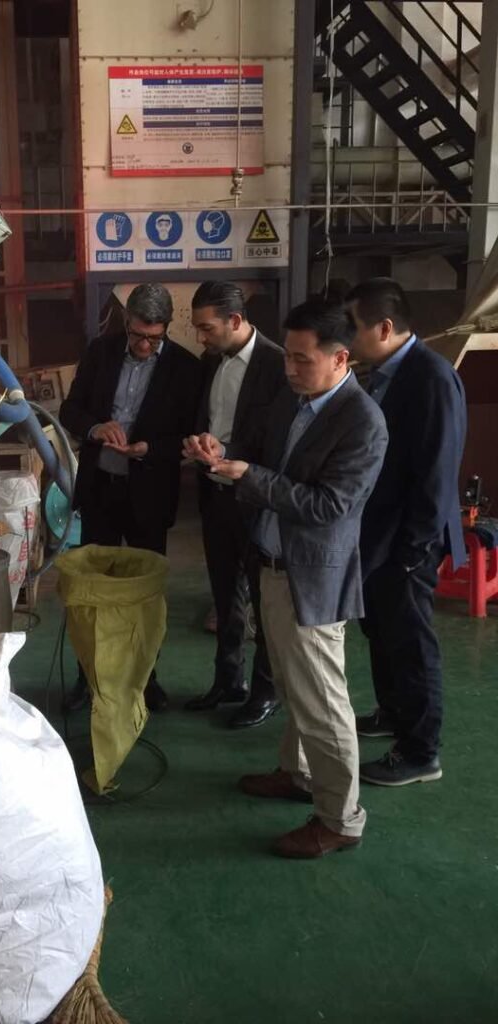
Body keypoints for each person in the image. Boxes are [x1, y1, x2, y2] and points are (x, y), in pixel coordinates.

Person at [187, 299, 388, 858]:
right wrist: (222, 453)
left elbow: (328, 506)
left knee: (323, 702)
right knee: (296, 686)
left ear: (341, 358)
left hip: (311, 577)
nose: (291, 368)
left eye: (303, 360)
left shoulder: (362, 423)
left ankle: (341, 819)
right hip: (272, 562)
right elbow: (262, 456)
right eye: (288, 357)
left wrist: (248, 476)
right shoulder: (294, 400)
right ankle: (298, 773)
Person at [346, 278, 467, 786]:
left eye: (353, 327)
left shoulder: (431, 377)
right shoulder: (381, 374)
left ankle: (421, 753)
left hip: (409, 543)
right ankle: (392, 712)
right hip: (380, 538)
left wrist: (414, 551)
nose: (347, 338)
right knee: (382, 633)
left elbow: (437, 472)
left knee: (412, 644)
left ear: (384, 327)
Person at [59, 283, 200, 711]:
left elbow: (189, 434)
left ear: (166, 328)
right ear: (126, 321)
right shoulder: (100, 353)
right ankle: (88, 677)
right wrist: (95, 428)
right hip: (100, 490)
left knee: (145, 594)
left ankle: (145, 678)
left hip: (149, 497)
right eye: (138, 335)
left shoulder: (185, 368)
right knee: (93, 590)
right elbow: (70, 410)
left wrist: (149, 449)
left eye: (154, 338)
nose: (144, 345)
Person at [182, 281, 286, 727]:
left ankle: (266, 690)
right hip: (216, 494)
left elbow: (277, 441)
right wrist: (199, 443)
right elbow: (208, 419)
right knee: (225, 595)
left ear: (236, 321)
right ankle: (228, 680)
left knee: (264, 602)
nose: (200, 337)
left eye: (207, 328)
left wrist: (227, 450)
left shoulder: (277, 365)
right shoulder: (212, 361)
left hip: (256, 499)